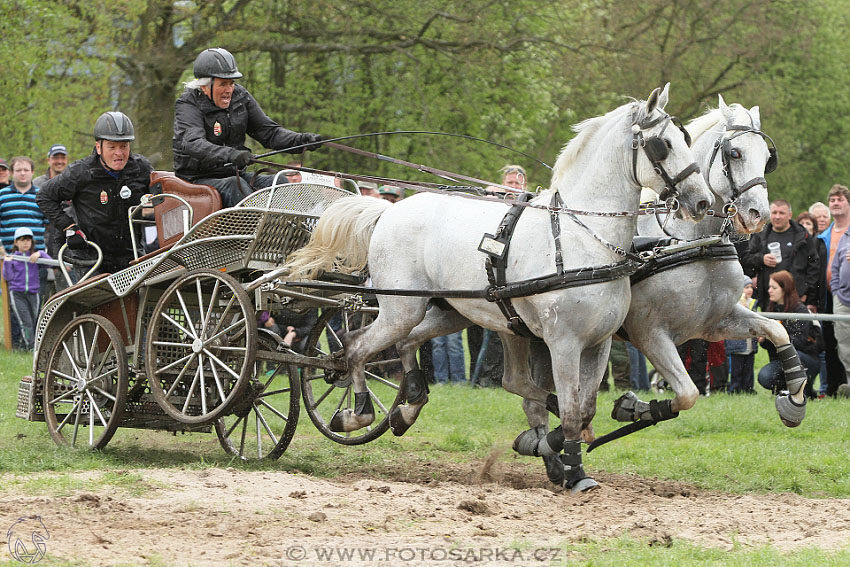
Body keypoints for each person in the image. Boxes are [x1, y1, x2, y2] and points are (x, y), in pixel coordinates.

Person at [173, 47, 323, 208]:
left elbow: (269, 132)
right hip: (197, 180)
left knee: (279, 182)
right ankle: (255, 231)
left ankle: (285, 230)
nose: (229, 90)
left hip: (235, 175)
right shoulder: (188, 104)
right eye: (223, 84)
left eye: (231, 83)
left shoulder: (241, 96)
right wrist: (231, 155)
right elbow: (193, 143)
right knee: (235, 186)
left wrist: (301, 140)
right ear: (204, 86)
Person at [38, 112, 153, 276]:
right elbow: (44, 196)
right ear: (99, 147)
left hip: (130, 255)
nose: (119, 153)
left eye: (124, 146)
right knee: (100, 301)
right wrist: (69, 228)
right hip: (92, 258)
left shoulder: (141, 168)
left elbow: (164, 195)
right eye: (112, 147)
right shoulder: (80, 172)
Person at [743, 199, 819, 311]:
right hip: (768, 297)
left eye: (781, 213)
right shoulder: (761, 234)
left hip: (795, 296)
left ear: (790, 215)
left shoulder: (802, 235)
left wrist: (806, 291)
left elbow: (814, 264)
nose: (777, 217)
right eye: (774, 213)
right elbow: (746, 258)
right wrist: (762, 259)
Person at [756, 271, 820, 397]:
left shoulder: (800, 310)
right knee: (765, 377)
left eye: (774, 288)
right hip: (781, 361)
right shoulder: (771, 310)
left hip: (806, 358)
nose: (769, 291)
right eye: (769, 287)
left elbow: (800, 342)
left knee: (797, 357)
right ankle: (784, 389)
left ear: (785, 289)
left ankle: (804, 390)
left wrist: (777, 334)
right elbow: (771, 346)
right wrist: (764, 340)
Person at [817, 184, 850, 396]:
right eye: (832, 200)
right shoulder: (822, 236)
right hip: (831, 297)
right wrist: (836, 290)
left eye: (840, 199)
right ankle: (837, 385)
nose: (836, 203)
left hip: (842, 295)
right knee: (837, 345)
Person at [2, 228, 50, 350]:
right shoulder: (13, 258)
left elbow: (49, 263)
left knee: (34, 321)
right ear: (16, 242)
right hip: (17, 294)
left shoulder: (34, 257)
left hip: (34, 293)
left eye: (28, 240)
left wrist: (41, 254)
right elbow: (7, 277)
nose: (25, 243)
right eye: (22, 240)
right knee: (26, 322)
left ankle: (27, 345)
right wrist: (7, 263)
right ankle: (31, 348)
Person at [0, 157, 48, 253]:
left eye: (26, 170)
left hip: (36, 258)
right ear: (12, 173)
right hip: (9, 258)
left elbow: (50, 227)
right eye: (18, 170)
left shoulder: (43, 196)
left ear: (32, 172)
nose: (22, 173)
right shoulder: (2, 195)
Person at [726, 276, 758, 393]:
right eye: (746, 287)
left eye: (751, 287)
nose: (749, 290)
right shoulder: (734, 304)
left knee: (749, 368)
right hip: (736, 343)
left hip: (750, 343)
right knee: (736, 369)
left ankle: (748, 388)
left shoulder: (754, 303)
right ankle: (735, 388)